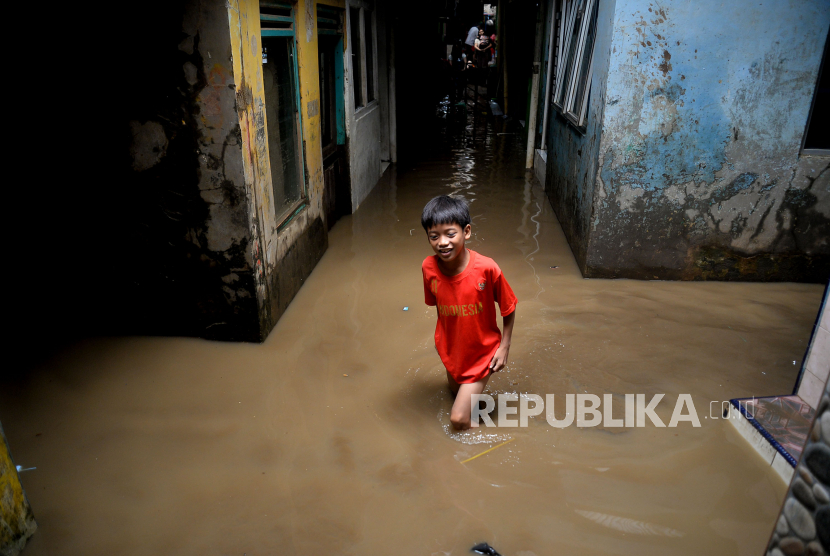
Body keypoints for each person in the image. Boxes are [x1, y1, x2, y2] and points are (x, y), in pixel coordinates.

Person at [420, 195, 517, 430]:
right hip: (452, 350)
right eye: (434, 236)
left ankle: (484, 445)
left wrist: (504, 347)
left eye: (450, 234)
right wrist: (442, 341)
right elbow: (441, 309)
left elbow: (509, 306)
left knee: (458, 419)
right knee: (455, 393)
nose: (443, 242)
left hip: (483, 353)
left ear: (467, 232)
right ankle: (473, 410)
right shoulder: (428, 268)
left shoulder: (486, 269)